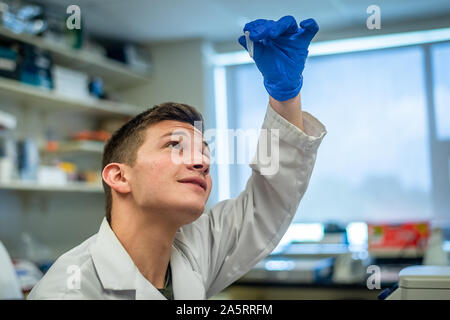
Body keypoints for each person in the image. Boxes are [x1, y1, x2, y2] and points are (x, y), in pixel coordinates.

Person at [28, 15, 327, 300]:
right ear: (119, 176)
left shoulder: (193, 249)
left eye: (204, 153)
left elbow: (268, 202)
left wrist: (285, 95)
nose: (202, 162)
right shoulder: (68, 291)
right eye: (175, 145)